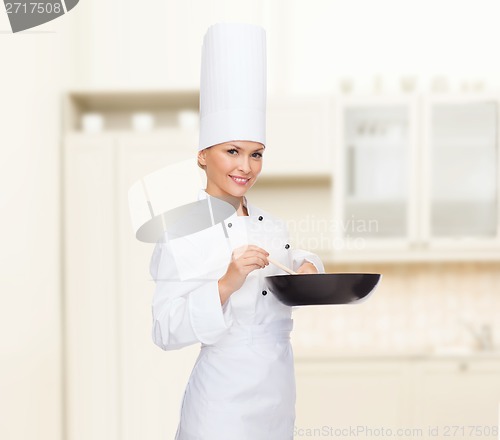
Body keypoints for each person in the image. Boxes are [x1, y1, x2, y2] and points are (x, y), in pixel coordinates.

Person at [149, 23, 324, 440]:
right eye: (232, 152)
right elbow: (165, 330)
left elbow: (299, 259)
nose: (246, 167)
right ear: (202, 155)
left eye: (256, 154)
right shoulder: (179, 232)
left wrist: (308, 268)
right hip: (221, 406)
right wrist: (227, 283)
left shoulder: (272, 225)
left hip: (278, 395)